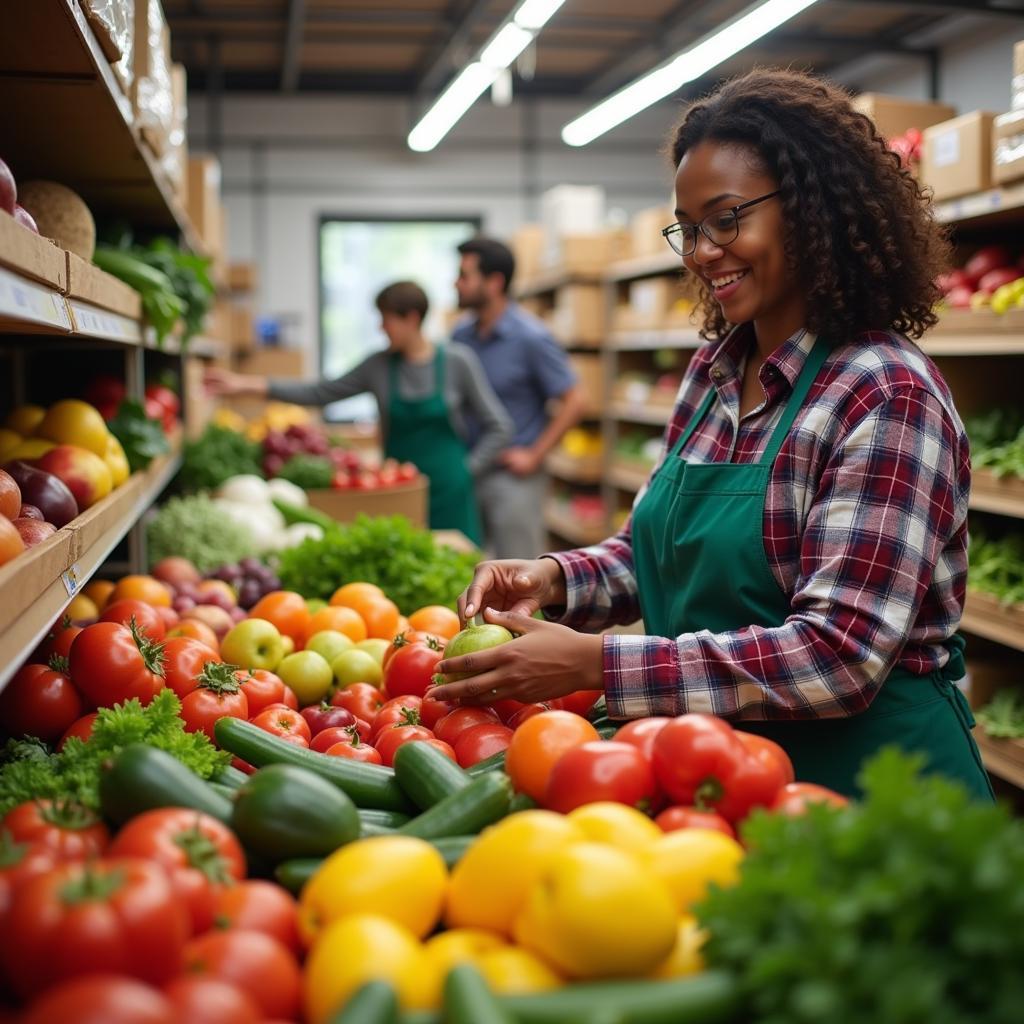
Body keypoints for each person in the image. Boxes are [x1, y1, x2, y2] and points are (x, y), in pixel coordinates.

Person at [430, 68, 994, 801]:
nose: (701, 252)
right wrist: (554, 578)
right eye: (689, 229)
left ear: (811, 210)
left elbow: (839, 656)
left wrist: (599, 665)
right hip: (721, 773)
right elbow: (653, 552)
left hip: (869, 789)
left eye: (727, 220)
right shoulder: (713, 373)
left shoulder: (885, 393)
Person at [204, 280, 510, 545]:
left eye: (386, 319)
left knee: (462, 577)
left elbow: (499, 425)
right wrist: (248, 384)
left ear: (412, 318)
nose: (381, 327)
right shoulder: (378, 366)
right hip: (395, 491)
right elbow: (319, 392)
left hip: (451, 490)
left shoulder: (458, 362)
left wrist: (467, 469)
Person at [452, 236, 587, 558]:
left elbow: (576, 399)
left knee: (518, 571)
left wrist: (534, 455)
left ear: (494, 282)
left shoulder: (531, 338)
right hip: (469, 468)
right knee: (466, 567)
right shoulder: (460, 336)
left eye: (464, 275)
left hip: (513, 477)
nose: (456, 283)